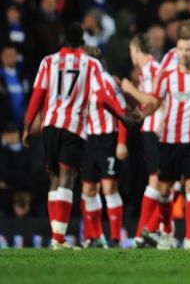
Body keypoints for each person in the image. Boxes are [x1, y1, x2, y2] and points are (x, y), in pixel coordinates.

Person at [22, 23, 128, 250]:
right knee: (67, 178)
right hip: (73, 126)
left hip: (50, 124)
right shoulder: (91, 64)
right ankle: (59, 240)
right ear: (82, 40)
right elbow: (102, 95)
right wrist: (122, 115)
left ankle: (56, 237)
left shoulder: (48, 61)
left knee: (54, 178)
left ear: (62, 39)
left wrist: (27, 126)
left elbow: (37, 95)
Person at [121, 34, 190, 249]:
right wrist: (142, 114)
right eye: (181, 49)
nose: (185, 53)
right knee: (164, 188)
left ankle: (182, 237)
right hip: (168, 138)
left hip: (186, 137)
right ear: (176, 52)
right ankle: (163, 230)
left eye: (189, 49)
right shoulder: (167, 75)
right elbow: (155, 101)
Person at [80, 46, 128, 249]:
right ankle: (95, 236)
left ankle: (115, 237)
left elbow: (122, 111)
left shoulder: (106, 81)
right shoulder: (81, 83)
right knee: (89, 188)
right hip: (89, 139)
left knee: (109, 187)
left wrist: (122, 142)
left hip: (108, 138)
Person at [128, 33, 164, 247]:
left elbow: (153, 100)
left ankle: (147, 232)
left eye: (131, 51)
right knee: (160, 182)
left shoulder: (151, 69)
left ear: (136, 50)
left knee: (161, 182)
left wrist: (129, 89)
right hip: (153, 131)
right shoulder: (150, 70)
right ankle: (146, 232)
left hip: (156, 130)